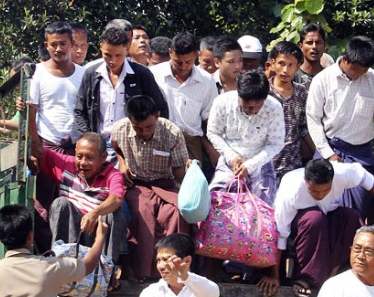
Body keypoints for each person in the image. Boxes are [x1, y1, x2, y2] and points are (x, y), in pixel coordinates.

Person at [267, 158, 374, 297]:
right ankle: (306, 278)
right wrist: (274, 276)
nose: (320, 195)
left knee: (352, 217)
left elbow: (364, 177)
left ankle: (335, 272)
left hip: (328, 217)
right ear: (305, 181)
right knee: (315, 218)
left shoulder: (342, 173)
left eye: (325, 190)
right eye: (314, 191)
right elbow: (280, 235)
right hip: (302, 226)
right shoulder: (290, 191)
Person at [305, 36, 374, 221]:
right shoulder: (322, 80)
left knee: (355, 212)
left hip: (361, 153)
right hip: (329, 149)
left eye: (364, 70)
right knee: (320, 208)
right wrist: (328, 154)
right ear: (346, 59)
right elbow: (313, 120)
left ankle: (350, 248)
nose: (359, 74)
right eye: (356, 69)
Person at [111, 95, 190, 283]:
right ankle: (143, 271)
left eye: (148, 127)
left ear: (157, 116)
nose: (143, 132)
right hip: (136, 185)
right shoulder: (119, 129)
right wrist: (122, 163)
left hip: (165, 184)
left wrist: (189, 171)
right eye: (137, 128)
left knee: (176, 213)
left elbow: (179, 169)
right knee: (143, 214)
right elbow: (115, 148)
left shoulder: (172, 132)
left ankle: (172, 271)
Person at [29, 131, 125, 281]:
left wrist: (94, 213)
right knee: (60, 204)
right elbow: (37, 148)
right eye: (79, 157)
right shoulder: (65, 163)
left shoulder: (113, 174)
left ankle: (107, 273)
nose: (83, 163)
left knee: (113, 214)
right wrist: (31, 113)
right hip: (71, 236)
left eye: (90, 158)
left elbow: (116, 199)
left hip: (96, 239)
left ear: (104, 158)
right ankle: (61, 266)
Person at [27, 21, 86, 250]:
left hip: (78, 151)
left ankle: (75, 255)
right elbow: (32, 111)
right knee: (43, 206)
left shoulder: (84, 73)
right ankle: (46, 254)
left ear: (72, 44)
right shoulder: (38, 73)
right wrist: (35, 146)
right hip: (48, 148)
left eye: (63, 43)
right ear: (46, 45)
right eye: (54, 45)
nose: (59, 49)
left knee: (78, 203)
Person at [74, 26, 168, 143]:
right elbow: (79, 111)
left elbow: (160, 108)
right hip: (99, 144)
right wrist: (89, 138)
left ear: (127, 49)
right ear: (101, 47)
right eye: (107, 55)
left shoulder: (141, 74)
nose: (113, 60)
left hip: (132, 144)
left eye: (118, 55)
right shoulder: (91, 74)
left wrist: (150, 138)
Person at [207, 69, 285, 206]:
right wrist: (231, 157)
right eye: (248, 107)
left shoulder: (274, 108)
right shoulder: (222, 102)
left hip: (261, 161)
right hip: (229, 161)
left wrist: (251, 165)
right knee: (216, 202)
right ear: (239, 95)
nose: (253, 111)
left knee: (264, 206)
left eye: (258, 106)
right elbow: (213, 133)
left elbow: (276, 143)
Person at [150, 31, 219, 177]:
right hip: (158, 138)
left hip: (191, 142)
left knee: (191, 188)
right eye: (178, 62)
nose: (183, 67)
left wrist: (211, 148)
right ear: (170, 53)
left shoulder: (206, 81)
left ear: (197, 55)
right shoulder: (154, 75)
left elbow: (209, 120)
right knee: (161, 183)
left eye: (188, 62)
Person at [267, 41, 314, 181]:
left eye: (291, 65)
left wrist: (318, 152)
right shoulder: (264, 92)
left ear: (298, 66)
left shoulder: (302, 93)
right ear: (273, 63)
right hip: (267, 164)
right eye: (281, 63)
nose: (285, 70)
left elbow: (303, 127)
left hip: (293, 165)